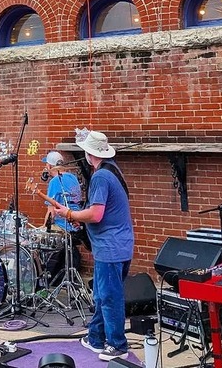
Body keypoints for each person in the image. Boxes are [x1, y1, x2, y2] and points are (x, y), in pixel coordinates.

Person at [52, 130, 134, 362]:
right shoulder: (113, 170)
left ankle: (118, 345)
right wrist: (77, 215)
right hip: (119, 245)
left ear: (89, 153)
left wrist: (69, 213)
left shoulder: (100, 177)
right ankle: (95, 338)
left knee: (109, 297)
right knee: (101, 295)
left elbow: (96, 214)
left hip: (110, 248)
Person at [41, 151, 82, 232]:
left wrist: (44, 227)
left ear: (49, 166)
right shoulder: (73, 177)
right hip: (76, 224)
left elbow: (51, 212)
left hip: (62, 226)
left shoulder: (55, 181)